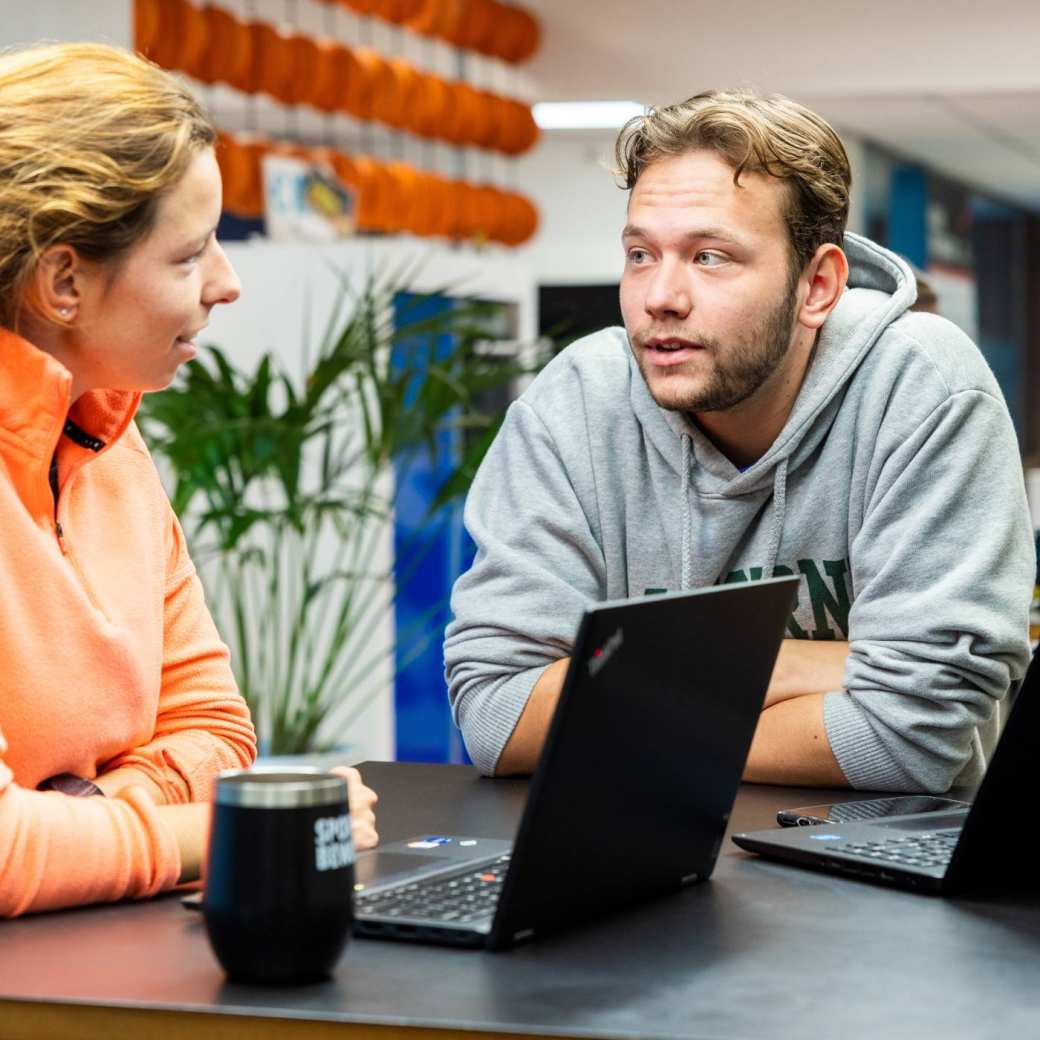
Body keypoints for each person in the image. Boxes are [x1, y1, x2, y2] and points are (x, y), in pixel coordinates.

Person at [445, 89, 1034, 792]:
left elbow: (914, 736)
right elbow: (494, 715)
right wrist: (835, 668)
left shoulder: (922, 386)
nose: (660, 295)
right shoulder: (575, 403)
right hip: (639, 865)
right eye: (640, 254)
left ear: (817, 285)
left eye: (711, 257)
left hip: (890, 872)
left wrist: (615, 700)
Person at [0, 42, 376, 918]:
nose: (228, 283)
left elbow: (216, 729)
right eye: (190, 254)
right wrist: (225, 833)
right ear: (63, 279)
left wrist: (77, 820)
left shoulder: (110, 442)